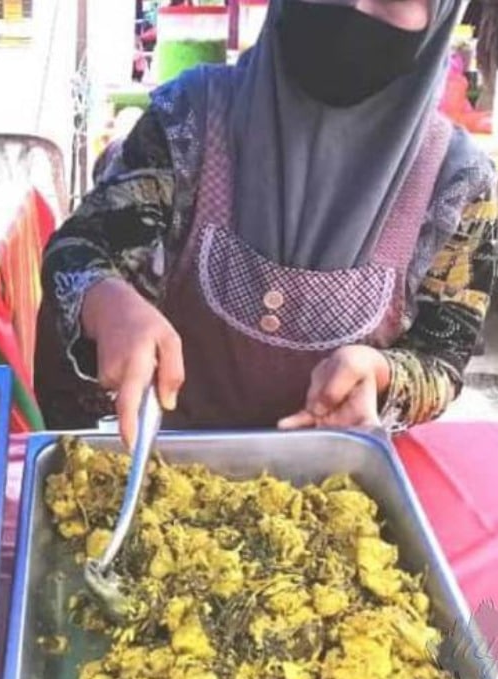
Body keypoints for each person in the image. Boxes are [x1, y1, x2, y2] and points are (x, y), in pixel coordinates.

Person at [38, 0, 496, 446]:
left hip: (333, 477)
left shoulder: (454, 183)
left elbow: (441, 357)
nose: (354, 10)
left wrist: (384, 374)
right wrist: (107, 299)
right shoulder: (187, 122)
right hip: (162, 457)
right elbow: (80, 249)